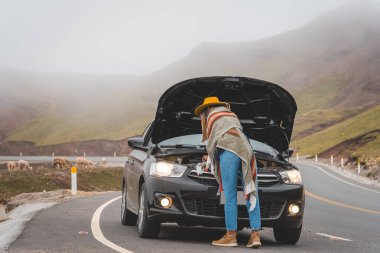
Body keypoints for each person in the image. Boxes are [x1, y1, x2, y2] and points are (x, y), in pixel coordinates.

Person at [194, 96, 261, 248]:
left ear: (206, 110)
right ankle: (255, 235)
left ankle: (231, 236)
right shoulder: (230, 114)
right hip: (247, 151)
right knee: (251, 192)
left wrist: (209, 157)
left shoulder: (211, 116)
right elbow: (232, 135)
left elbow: (214, 143)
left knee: (229, 196)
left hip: (229, 153)